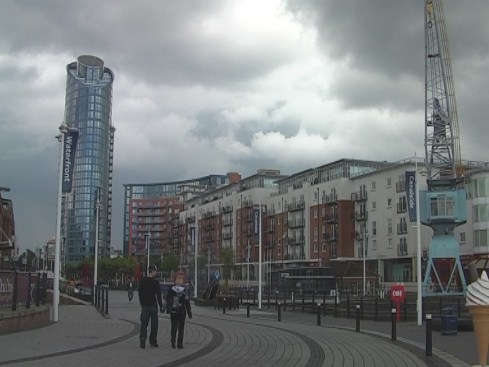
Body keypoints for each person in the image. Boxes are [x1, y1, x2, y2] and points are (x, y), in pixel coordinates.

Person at [138, 264, 164, 349]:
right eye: (155, 271)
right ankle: (153, 341)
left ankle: (142, 337)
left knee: (144, 324)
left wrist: (142, 303)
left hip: (145, 306)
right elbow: (159, 295)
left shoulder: (142, 281)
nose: (156, 273)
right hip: (153, 305)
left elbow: (140, 293)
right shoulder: (155, 282)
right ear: (152, 272)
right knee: (154, 325)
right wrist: (161, 306)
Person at [165, 278, 192, 349]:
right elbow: (187, 301)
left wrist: (166, 308)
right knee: (181, 328)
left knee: (174, 327)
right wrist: (189, 312)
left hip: (174, 311)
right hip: (182, 312)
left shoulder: (171, 289)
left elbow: (167, 298)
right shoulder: (184, 290)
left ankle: (173, 342)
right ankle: (179, 344)